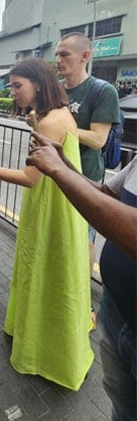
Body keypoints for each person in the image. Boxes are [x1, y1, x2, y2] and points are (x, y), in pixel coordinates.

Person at [0, 58, 93, 390]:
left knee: (44, 271)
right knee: (55, 273)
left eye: (17, 86)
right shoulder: (60, 115)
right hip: (61, 205)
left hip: (49, 209)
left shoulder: (50, 123)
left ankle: (44, 351)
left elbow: (30, 179)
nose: (12, 92)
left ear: (38, 84)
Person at [28, 132, 135, 421]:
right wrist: (65, 166)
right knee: (124, 407)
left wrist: (59, 170)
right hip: (119, 313)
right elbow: (106, 195)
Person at [54, 32, 121, 276]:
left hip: (86, 178)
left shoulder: (102, 91)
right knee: (58, 235)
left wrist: (63, 126)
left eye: (64, 54)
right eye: (57, 55)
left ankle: (83, 297)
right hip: (55, 173)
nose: (58, 60)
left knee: (84, 238)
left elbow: (97, 139)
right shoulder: (57, 90)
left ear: (85, 56)